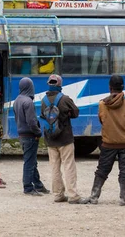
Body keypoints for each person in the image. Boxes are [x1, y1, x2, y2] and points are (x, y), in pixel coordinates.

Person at [86, 75, 125, 206]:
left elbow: (102, 121)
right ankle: (124, 198)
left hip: (108, 143)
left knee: (102, 170)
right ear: (123, 87)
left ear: (110, 87)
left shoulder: (102, 104)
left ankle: (94, 196)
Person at [41, 74, 85, 204]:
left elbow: (43, 116)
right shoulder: (65, 99)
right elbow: (76, 112)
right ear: (60, 85)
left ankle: (58, 194)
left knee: (54, 167)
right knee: (69, 166)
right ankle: (73, 195)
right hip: (65, 138)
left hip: (50, 139)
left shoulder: (43, 100)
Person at [14, 77, 49, 196]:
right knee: (29, 162)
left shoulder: (17, 100)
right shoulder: (28, 102)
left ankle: (38, 185)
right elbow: (31, 121)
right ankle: (28, 187)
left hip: (21, 135)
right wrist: (38, 132)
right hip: (30, 135)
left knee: (32, 161)